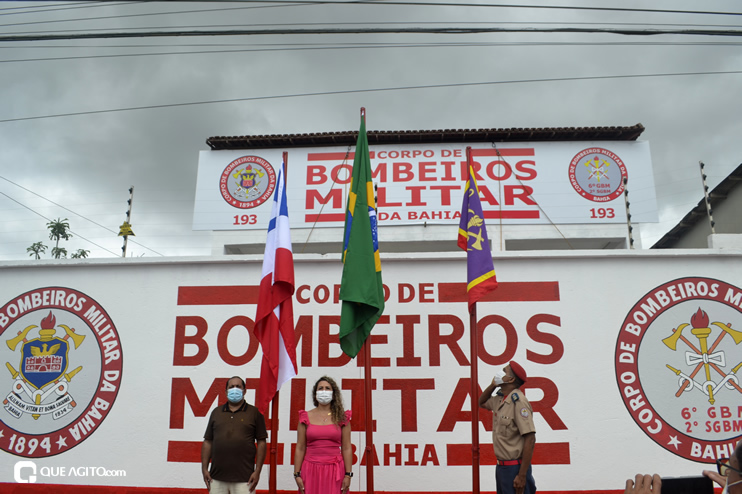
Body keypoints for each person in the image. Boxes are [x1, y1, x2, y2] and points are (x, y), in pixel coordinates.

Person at [201, 376, 267, 494]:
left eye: (238, 386)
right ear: (226, 391)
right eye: (231, 387)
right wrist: (204, 469)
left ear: (244, 391)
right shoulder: (216, 412)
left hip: (245, 479)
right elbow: (208, 441)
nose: (234, 389)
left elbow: (262, 442)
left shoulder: (255, 413)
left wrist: (257, 471)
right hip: (216, 478)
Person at [479, 361, 537, 494]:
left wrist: (521, 476)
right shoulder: (500, 399)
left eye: (504, 371)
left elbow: (530, 439)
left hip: (515, 469)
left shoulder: (519, 401)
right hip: (502, 469)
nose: (500, 373)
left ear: (510, 379)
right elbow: (481, 402)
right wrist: (493, 385)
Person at [293, 376, 353, 494]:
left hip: (335, 471)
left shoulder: (342, 417)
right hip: (310, 469)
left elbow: (346, 447)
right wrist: (297, 474)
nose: (324, 391)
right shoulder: (305, 417)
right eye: (320, 388)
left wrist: (348, 475)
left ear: (334, 394)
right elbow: (300, 447)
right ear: (315, 394)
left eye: (327, 388)